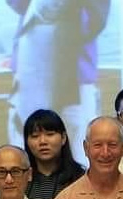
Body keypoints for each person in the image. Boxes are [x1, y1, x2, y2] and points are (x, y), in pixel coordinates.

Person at [7, 0, 110, 166]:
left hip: (76, 79)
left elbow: (95, 19)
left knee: (81, 152)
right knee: (23, 155)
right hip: (31, 77)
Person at [23, 109, 85, 199]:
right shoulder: (21, 179)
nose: (43, 141)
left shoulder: (80, 177)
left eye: (50, 134)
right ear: (27, 142)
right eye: (35, 136)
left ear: (63, 138)